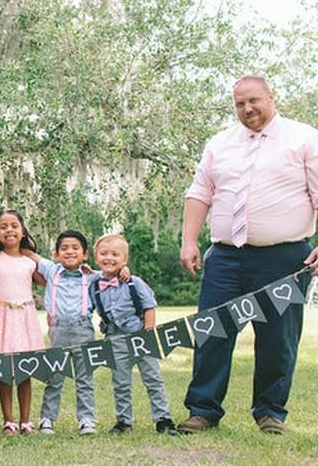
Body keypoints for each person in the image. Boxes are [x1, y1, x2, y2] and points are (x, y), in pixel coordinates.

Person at [179, 75, 318, 434]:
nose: (247, 109)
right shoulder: (220, 143)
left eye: (254, 101)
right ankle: (203, 410)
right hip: (225, 257)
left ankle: (270, 412)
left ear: (272, 97)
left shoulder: (303, 138)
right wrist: (189, 241)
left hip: (285, 258)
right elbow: (200, 192)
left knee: (278, 339)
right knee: (212, 333)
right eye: (240, 104)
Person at [89, 234, 176, 435]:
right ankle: (124, 421)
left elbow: (149, 307)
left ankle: (163, 419)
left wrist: (148, 334)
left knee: (153, 378)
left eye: (115, 254)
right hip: (114, 338)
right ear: (96, 257)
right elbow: (82, 273)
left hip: (140, 336)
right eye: (103, 254)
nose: (109, 258)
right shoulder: (94, 284)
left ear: (124, 259)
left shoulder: (133, 282)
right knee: (120, 382)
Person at [0, 210, 46, 436]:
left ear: (22, 231)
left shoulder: (29, 261)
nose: (9, 230)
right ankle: (8, 420)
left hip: (25, 317)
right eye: (3, 226)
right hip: (2, 315)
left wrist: (35, 256)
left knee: (24, 369)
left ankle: (25, 420)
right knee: (5, 370)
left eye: (14, 225)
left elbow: (51, 279)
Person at [36, 230, 98, 435]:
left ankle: (87, 419)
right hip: (58, 330)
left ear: (84, 254)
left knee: (85, 378)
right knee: (54, 377)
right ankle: (47, 419)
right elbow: (29, 253)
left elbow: (112, 272)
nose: (69, 252)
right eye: (64, 248)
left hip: (83, 329)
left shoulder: (91, 277)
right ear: (56, 254)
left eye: (75, 248)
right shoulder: (51, 271)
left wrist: (124, 270)